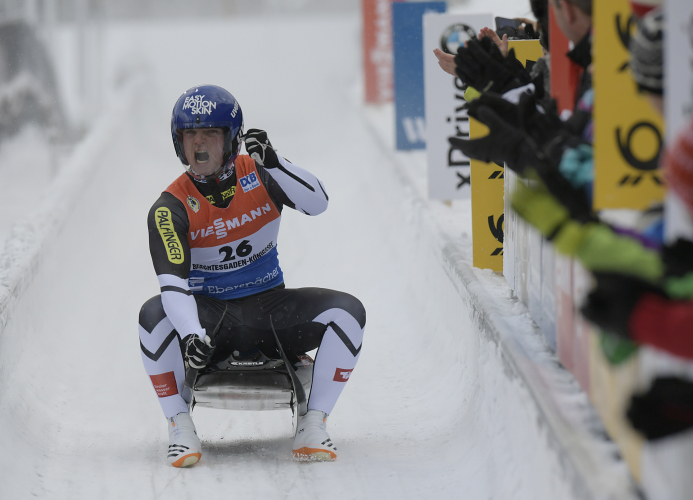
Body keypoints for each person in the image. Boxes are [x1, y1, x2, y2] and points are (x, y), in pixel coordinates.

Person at [138, 84, 366, 467]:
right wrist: (192, 333)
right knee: (152, 316)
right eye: (190, 135)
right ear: (178, 143)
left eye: (210, 133)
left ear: (232, 139)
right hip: (211, 319)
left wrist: (277, 164)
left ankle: (315, 423)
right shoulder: (169, 207)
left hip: (270, 310)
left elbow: (318, 203)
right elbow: (172, 288)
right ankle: (179, 425)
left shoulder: (261, 171)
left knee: (348, 312)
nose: (199, 145)